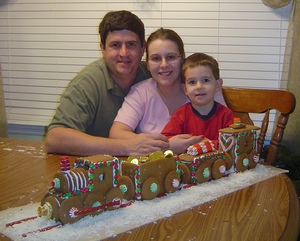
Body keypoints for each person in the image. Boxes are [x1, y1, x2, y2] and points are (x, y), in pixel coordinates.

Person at [45, 10, 169, 156]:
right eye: (115, 45)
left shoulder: (152, 74)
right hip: (95, 172)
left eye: (131, 44)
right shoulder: (86, 84)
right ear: (103, 48)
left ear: (143, 47)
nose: (124, 53)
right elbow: (54, 138)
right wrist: (126, 147)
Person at [109, 28, 226, 154]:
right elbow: (117, 133)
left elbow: (227, 134)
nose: (164, 65)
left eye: (171, 57)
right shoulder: (141, 92)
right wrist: (165, 146)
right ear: (147, 64)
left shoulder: (203, 90)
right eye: (156, 58)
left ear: (183, 59)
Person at [161, 53, 235, 153]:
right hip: (188, 166)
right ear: (184, 89)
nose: (199, 86)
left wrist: (207, 145)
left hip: (219, 166)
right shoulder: (180, 115)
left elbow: (234, 142)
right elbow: (166, 140)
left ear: (217, 85)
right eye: (192, 82)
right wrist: (188, 143)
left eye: (205, 80)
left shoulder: (226, 115)